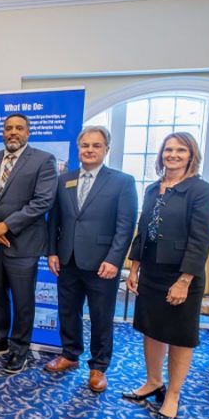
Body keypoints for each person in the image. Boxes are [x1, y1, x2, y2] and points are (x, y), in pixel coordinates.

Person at [123, 132, 209, 419]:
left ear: (191, 156)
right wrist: (134, 268)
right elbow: (142, 229)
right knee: (151, 329)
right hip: (152, 270)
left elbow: (200, 240)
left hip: (182, 274)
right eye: (168, 150)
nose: (172, 155)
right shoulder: (153, 189)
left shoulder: (201, 190)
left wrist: (184, 280)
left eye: (180, 150)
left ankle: (173, 395)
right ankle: (153, 382)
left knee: (179, 336)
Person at [46, 126, 137, 392]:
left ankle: (98, 367)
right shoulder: (65, 180)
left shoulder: (122, 181)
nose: (90, 150)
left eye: (96, 145)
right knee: (68, 311)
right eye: (85, 145)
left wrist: (114, 260)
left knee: (101, 316)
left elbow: (125, 225)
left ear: (106, 149)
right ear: (79, 148)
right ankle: (70, 354)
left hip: (102, 264)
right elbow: (55, 220)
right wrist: (52, 251)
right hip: (67, 259)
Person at [0, 113, 57, 374]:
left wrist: (6, 225)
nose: (13, 132)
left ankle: (19, 349)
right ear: (2, 132)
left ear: (28, 132)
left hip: (23, 245)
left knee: (23, 300)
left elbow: (42, 202)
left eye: (19, 128)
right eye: (9, 128)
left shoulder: (44, 160)